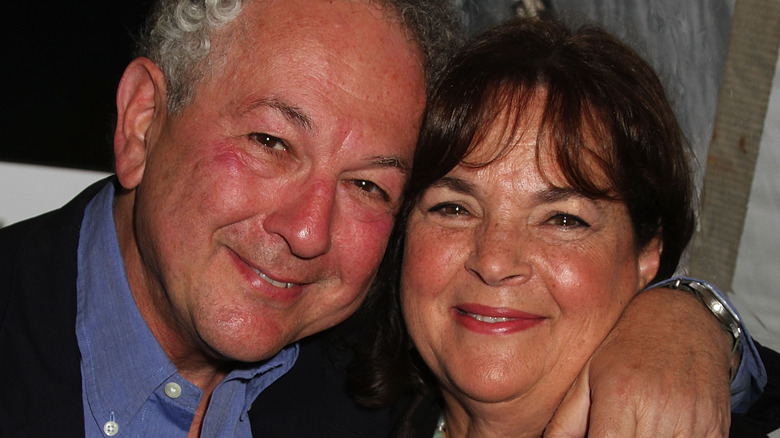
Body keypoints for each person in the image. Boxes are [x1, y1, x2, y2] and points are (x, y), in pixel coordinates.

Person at [0, 1, 774, 437]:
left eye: (369, 187)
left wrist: (694, 318)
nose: (308, 232)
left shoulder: (340, 379)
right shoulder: (373, 384)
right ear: (142, 122)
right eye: (271, 141)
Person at [346, 17, 780, 437]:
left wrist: (699, 314)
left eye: (562, 219)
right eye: (454, 209)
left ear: (648, 253)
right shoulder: (321, 406)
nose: (494, 262)